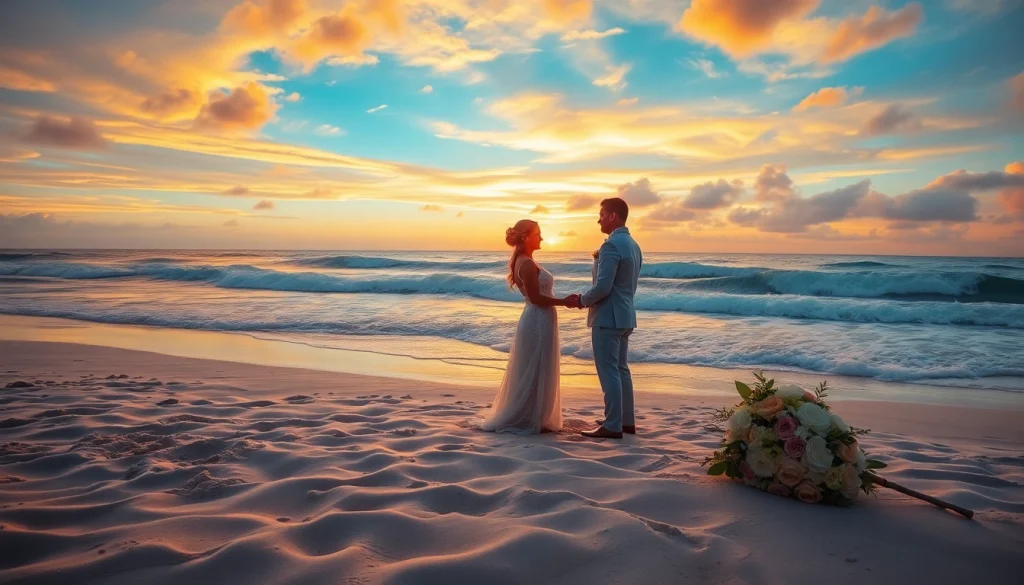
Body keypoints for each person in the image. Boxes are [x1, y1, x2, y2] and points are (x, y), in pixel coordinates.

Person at [481, 219, 572, 434]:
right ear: (525, 237)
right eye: (538, 234)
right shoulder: (527, 263)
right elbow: (536, 298)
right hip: (538, 319)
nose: (541, 238)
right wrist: (565, 301)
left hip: (540, 318)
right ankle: (531, 418)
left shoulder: (524, 260)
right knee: (536, 366)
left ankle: (536, 416)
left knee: (538, 366)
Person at [567, 198, 643, 439]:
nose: (598, 219)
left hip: (608, 317)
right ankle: (625, 421)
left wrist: (581, 300)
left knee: (609, 370)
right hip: (626, 315)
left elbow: (603, 287)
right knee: (621, 369)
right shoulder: (633, 244)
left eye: (601, 214)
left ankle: (612, 425)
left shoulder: (611, 246)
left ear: (612, 216)